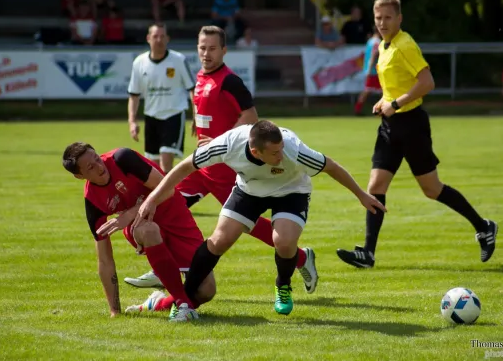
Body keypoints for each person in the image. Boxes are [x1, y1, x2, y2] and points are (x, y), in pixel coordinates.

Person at [124, 26, 319, 296]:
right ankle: (167, 267)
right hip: (204, 167)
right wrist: (197, 124)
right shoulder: (201, 77)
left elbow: (251, 115)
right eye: (202, 48)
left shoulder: (230, 81)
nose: (206, 53)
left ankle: (299, 257)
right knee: (169, 205)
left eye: (212, 48)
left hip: (224, 167)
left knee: (242, 225)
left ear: (224, 51)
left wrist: (219, 139)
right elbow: (204, 108)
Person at [133, 120, 387, 316]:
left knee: (284, 241)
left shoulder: (293, 150)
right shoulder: (228, 144)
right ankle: (184, 301)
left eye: (280, 150)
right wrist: (153, 198)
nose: (280, 155)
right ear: (255, 151)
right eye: (274, 153)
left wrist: (361, 195)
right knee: (219, 240)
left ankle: (283, 285)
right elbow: (184, 167)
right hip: (249, 191)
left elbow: (331, 166)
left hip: (291, 192)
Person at [336, 0, 498, 269]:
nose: (383, 23)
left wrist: (396, 103)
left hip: (411, 124)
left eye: (388, 18)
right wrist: (384, 100)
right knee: (375, 187)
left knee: (432, 189)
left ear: (399, 19)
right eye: (378, 18)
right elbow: (397, 85)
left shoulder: (405, 45)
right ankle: (368, 253)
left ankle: (484, 226)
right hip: (390, 126)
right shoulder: (384, 46)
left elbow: (427, 82)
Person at [62, 142, 217, 322]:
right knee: (149, 230)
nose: (99, 166)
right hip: (141, 226)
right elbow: (105, 260)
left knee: (206, 290)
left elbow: (167, 190)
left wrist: (128, 214)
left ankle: (158, 303)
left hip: (175, 216)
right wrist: (115, 311)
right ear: (79, 176)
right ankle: (183, 305)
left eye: (97, 158)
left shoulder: (123, 159)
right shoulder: (93, 201)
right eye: (90, 167)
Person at [128, 23, 195, 172]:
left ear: (168, 38)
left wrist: (196, 115)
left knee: (166, 162)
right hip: (151, 117)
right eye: (155, 36)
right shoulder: (139, 62)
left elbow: (192, 89)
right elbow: (134, 94)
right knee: (154, 167)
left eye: (162, 36)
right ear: (148, 38)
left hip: (173, 114)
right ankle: (164, 194)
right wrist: (132, 121)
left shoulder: (178, 60)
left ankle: (169, 195)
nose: (159, 40)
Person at [354, 31, 382, 115]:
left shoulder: (370, 41)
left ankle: (358, 109)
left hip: (370, 70)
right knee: (372, 90)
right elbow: (374, 55)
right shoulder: (377, 42)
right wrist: (370, 69)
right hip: (374, 71)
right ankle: (381, 110)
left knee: (369, 90)